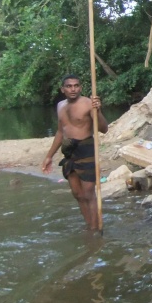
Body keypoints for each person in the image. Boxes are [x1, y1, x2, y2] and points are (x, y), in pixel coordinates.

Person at [41, 74, 108, 230]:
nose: (73, 89)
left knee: (88, 193)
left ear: (81, 87)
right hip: (69, 151)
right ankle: (89, 225)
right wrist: (49, 156)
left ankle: (95, 229)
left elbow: (104, 129)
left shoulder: (88, 104)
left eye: (76, 85)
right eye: (69, 86)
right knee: (78, 194)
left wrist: (97, 111)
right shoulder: (60, 106)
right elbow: (60, 132)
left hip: (86, 150)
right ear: (62, 89)